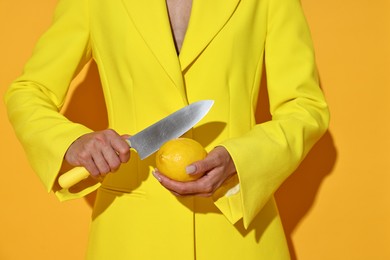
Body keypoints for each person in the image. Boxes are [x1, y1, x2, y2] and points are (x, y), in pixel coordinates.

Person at [4, 0, 329, 259]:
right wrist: (70, 142)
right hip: (130, 239)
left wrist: (239, 161)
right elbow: (28, 90)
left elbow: (305, 106)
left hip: (238, 230)